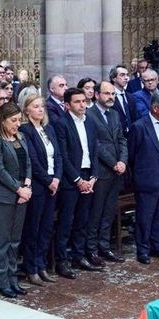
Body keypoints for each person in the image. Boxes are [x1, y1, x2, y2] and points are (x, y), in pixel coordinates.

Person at [0, 102, 31, 295]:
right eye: (13, 120)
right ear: (2, 121)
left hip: (21, 194)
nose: (17, 124)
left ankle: (13, 278)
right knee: (2, 240)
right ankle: (2, 281)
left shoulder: (21, 137)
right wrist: (19, 189)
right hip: (2, 196)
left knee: (15, 240)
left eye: (19, 120)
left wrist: (27, 186)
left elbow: (28, 163)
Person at [128, 92, 159, 264]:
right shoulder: (139, 127)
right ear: (155, 108)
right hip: (147, 178)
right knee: (145, 216)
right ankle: (143, 249)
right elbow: (132, 156)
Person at [52, 87, 100, 272]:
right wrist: (78, 180)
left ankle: (78, 256)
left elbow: (94, 150)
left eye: (83, 101)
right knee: (66, 221)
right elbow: (63, 156)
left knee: (83, 219)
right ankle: (62, 260)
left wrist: (93, 177)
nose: (82, 105)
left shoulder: (90, 122)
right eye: (77, 102)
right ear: (67, 105)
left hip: (88, 175)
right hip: (71, 179)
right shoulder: (61, 123)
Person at [21, 94, 63, 280]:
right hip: (38, 185)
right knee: (34, 227)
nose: (40, 109)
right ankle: (31, 268)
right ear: (27, 110)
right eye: (36, 106)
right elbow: (33, 160)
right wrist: (48, 180)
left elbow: (58, 155)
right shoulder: (25, 130)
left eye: (42, 106)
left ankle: (41, 265)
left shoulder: (48, 128)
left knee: (46, 227)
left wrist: (57, 178)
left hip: (53, 184)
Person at [87, 81, 128, 264]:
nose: (111, 97)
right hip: (102, 170)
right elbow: (95, 144)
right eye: (107, 93)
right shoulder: (89, 114)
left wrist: (123, 161)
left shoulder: (114, 114)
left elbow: (121, 139)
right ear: (97, 95)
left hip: (117, 170)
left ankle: (104, 246)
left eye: (113, 94)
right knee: (96, 211)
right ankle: (91, 249)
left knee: (109, 211)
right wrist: (113, 163)